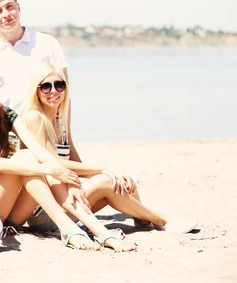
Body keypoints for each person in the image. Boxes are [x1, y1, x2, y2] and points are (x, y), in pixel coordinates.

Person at [0, 66, 137, 252]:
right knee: (27, 158)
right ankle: (71, 229)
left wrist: (68, 179)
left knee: (35, 157)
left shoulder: (4, 114)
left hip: (11, 211)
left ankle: (96, 230)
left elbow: (37, 148)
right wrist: (49, 169)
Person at [24, 63, 198, 234]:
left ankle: (143, 219)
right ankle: (162, 220)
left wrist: (101, 176)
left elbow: (73, 159)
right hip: (47, 213)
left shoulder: (61, 115)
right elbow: (56, 163)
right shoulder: (35, 118)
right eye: (46, 87)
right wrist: (103, 171)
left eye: (59, 85)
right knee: (108, 181)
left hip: (67, 197)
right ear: (37, 91)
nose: (53, 91)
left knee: (123, 183)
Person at [0, 0, 82, 161]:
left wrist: (66, 137)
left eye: (9, 7)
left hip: (48, 135)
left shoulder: (47, 44)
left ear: (18, 7)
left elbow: (64, 94)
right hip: (9, 141)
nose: (6, 14)